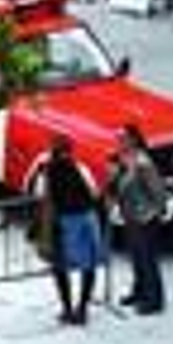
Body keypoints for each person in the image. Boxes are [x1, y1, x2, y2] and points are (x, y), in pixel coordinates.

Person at [40, 135, 102, 325]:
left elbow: (47, 201)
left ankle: (67, 309)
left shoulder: (49, 171)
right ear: (70, 151)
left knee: (60, 266)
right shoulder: (80, 168)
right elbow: (94, 192)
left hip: (65, 222)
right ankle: (82, 309)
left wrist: (45, 232)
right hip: (87, 219)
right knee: (88, 265)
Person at [108, 124, 167, 315]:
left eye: (123, 138)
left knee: (147, 259)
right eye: (118, 138)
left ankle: (154, 300)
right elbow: (117, 186)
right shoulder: (123, 161)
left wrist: (157, 211)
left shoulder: (143, 162)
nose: (119, 142)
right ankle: (139, 291)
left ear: (133, 140)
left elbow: (157, 190)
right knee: (136, 257)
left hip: (145, 217)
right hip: (130, 216)